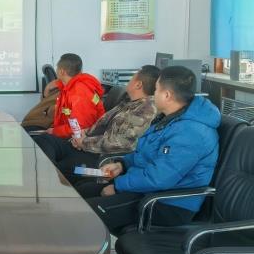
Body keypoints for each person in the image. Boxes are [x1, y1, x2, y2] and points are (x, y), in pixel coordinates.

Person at [83, 65, 220, 231]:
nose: (153, 94)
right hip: (147, 189)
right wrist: (122, 164)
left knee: (84, 215)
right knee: (82, 191)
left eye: (156, 90)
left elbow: (159, 178)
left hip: (168, 203)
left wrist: (118, 186)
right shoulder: (171, 118)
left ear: (167, 95)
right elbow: (146, 153)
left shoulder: (191, 132)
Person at [35, 65, 160, 180]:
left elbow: (120, 142)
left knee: (61, 169)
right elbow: (102, 125)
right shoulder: (129, 101)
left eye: (132, 78)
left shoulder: (146, 110)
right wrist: (83, 134)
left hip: (101, 159)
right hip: (88, 147)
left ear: (138, 85)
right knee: (44, 140)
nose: (129, 81)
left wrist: (84, 142)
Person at [35, 53, 105, 139]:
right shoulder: (70, 84)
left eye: (57, 68)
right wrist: (48, 87)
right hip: (72, 131)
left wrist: (55, 131)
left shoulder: (78, 94)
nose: (56, 70)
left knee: (40, 140)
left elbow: (79, 129)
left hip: (83, 139)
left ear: (62, 71)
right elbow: (58, 84)